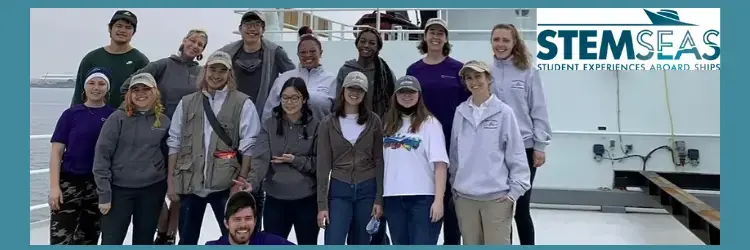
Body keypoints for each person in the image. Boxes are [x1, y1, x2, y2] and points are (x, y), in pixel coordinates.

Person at [119, 28, 209, 245]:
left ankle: (170, 234)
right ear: (184, 41)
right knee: (156, 186)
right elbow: (127, 87)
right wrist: (142, 114)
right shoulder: (162, 65)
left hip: (186, 138)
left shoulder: (201, 72)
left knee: (180, 187)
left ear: (202, 51)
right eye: (192, 40)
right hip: (157, 134)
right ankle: (162, 227)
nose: (195, 46)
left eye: (200, 45)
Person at [166, 50, 261, 245]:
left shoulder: (243, 103)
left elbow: (249, 145)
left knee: (233, 241)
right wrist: (171, 181)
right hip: (190, 184)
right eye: (212, 69)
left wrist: (241, 180)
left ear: (229, 74)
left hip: (226, 185)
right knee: (186, 241)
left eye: (222, 70)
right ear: (205, 70)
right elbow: (174, 141)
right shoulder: (186, 103)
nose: (216, 75)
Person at [218, 11, 296, 229]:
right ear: (241, 28)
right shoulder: (228, 51)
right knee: (230, 171)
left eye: (257, 24)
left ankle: (254, 229)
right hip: (232, 122)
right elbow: (213, 76)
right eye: (248, 24)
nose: (252, 28)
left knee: (257, 177)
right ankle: (233, 227)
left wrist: (283, 106)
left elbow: (292, 77)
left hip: (263, 121)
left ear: (263, 29)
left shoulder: (275, 52)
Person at [449, 60, 531, 245]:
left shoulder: (504, 113)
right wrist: (456, 186)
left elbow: (516, 155)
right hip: (465, 199)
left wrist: (513, 194)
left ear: (488, 78)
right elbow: (455, 154)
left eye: (478, 76)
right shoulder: (460, 112)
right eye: (468, 78)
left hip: (496, 200)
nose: (473, 82)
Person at [404, 17, 466, 245]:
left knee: (449, 198)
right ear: (425, 36)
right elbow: (406, 104)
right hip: (421, 143)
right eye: (432, 32)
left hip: (451, 142)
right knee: (423, 194)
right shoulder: (414, 69)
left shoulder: (457, 69)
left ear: (446, 38)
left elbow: (466, 106)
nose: (436, 36)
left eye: (441, 32)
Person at [488, 24, 552, 246]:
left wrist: (540, 146)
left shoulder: (529, 71)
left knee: (521, 209)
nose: (501, 44)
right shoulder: (487, 73)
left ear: (515, 43)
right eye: (496, 39)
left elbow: (539, 109)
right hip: (495, 149)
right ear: (491, 43)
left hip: (524, 148)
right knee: (500, 209)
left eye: (506, 40)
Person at [92, 72, 170, 245]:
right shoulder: (116, 119)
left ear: (155, 92)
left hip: (152, 190)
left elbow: (169, 156)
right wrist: (104, 194)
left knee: (144, 240)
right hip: (119, 190)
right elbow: (102, 157)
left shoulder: (163, 121)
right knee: (111, 240)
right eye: (135, 89)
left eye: (146, 89)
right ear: (129, 94)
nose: (141, 93)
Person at [248, 77, 321, 245]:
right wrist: (251, 182)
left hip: (307, 199)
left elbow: (321, 163)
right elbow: (261, 158)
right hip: (276, 199)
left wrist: (296, 160)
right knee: (274, 244)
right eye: (285, 98)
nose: (289, 102)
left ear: (304, 99)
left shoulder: (317, 126)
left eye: (295, 97)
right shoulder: (269, 124)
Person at [48, 67, 116, 245]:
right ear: (84, 87)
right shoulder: (70, 115)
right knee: (60, 237)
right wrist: (54, 187)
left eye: (101, 84)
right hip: (69, 183)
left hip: (98, 185)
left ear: (107, 88)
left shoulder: (113, 116)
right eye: (92, 83)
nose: (96, 87)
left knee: (89, 238)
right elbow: (56, 152)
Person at [316, 71, 384, 245]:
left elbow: (379, 161)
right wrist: (322, 205)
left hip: (367, 188)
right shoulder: (328, 123)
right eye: (351, 88)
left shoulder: (374, 121)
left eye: (360, 90)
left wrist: (379, 198)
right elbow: (323, 165)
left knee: (361, 241)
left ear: (365, 93)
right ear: (343, 90)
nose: (355, 93)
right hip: (339, 189)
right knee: (334, 241)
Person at [381, 76, 448, 245]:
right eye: (402, 92)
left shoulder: (430, 123)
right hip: (393, 198)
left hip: (423, 199)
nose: (406, 96)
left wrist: (439, 201)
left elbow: (440, 164)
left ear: (419, 95)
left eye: (411, 92)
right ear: (395, 95)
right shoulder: (387, 124)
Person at [71, 10, 149, 109]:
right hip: (93, 116)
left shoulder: (140, 61)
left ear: (133, 32)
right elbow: (79, 93)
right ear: (110, 28)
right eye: (119, 26)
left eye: (128, 27)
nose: (123, 30)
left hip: (126, 118)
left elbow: (147, 95)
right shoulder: (91, 58)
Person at [262, 29, 336, 122]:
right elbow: (268, 113)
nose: (308, 55)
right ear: (298, 55)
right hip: (287, 135)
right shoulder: (283, 78)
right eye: (303, 52)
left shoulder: (332, 80)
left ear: (320, 53)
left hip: (321, 135)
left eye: (313, 51)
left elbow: (338, 115)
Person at [335, 27, 397, 118]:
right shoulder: (345, 70)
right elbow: (338, 100)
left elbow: (393, 103)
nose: (366, 45)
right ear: (357, 44)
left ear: (378, 47)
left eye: (372, 43)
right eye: (363, 41)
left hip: (378, 126)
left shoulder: (386, 74)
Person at [205, 191, 295, 245]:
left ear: (255, 221)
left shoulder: (270, 242)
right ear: (226, 223)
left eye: (248, 218)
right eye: (237, 219)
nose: (243, 225)